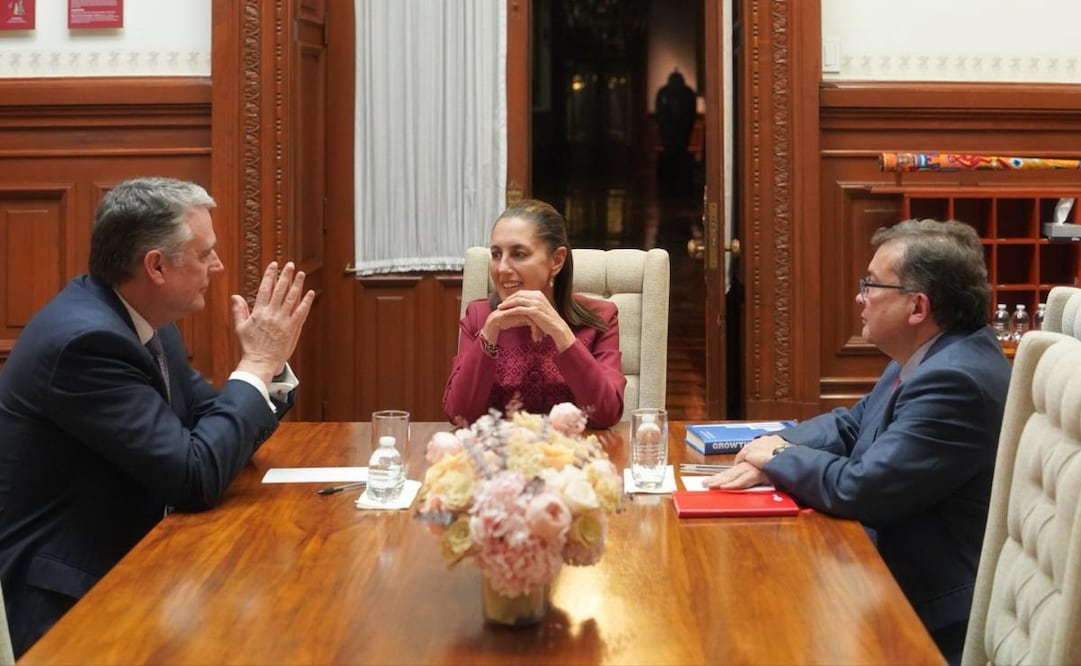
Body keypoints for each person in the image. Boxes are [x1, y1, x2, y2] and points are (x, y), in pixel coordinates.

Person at [0, 177, 315, 657]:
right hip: (74, 597)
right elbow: (194, 475)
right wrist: (256, 365)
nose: (219, 265)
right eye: (204, 253)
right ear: (156, 266)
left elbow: (209, 423)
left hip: (144, 556)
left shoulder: (141, 323)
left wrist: (264, 373)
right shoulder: (87, 343)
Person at [705, 218, 1011, 666]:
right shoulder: (930, 354)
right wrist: (768, 445)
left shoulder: (954, 381)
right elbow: (851, 426)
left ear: (917, 306)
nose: (859, 298)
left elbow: (862, 489)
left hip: (928, 611)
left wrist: (781, 456)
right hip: (883, 570)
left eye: (871, 285)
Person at [443, 199, 626, 428]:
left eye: (518, 254)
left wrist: (560, 331)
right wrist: (490, 332)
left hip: (572, 457)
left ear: (556, 261)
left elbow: (606, 413)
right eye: (496, 254)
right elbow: (460, 416)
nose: (502, 268)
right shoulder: (478, 317)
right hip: (498, 458)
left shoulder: (601, 317)